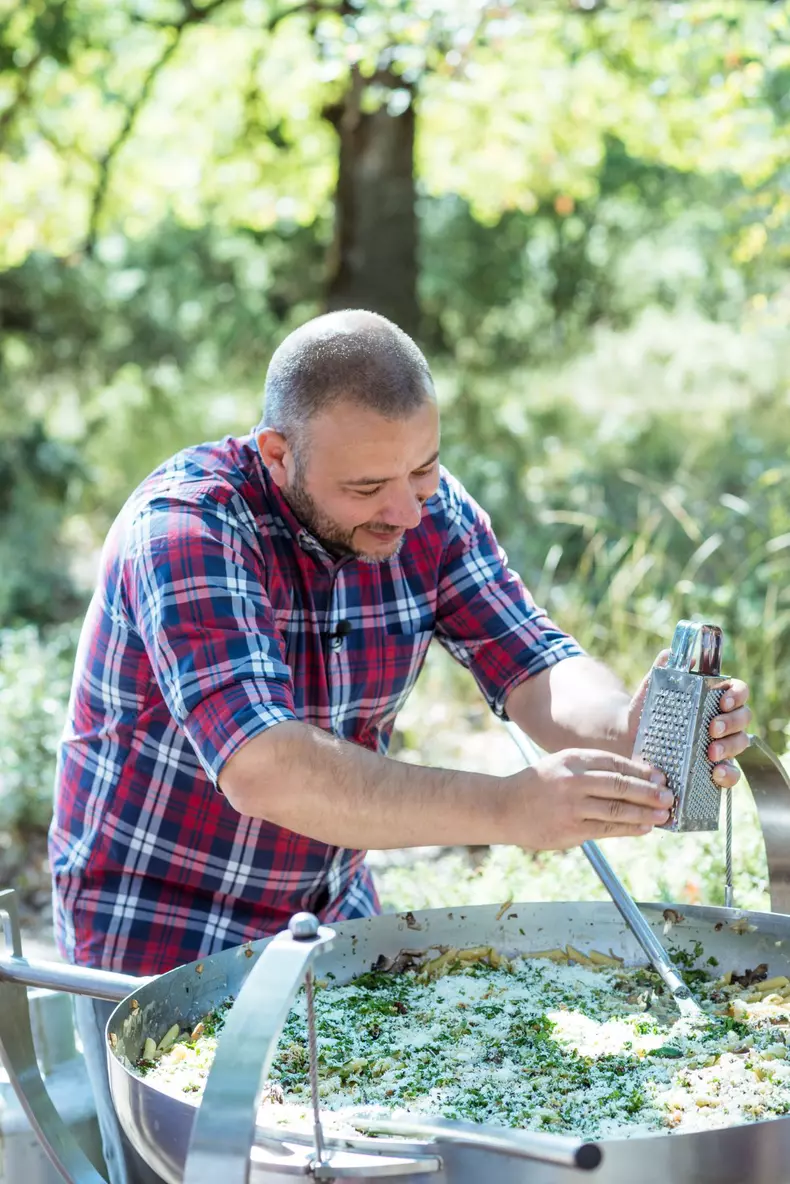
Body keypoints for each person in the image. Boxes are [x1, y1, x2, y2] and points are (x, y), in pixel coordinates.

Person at [49, 309, 750, 1183]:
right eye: (368, 486)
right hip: (162, 926)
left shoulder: (424, 508)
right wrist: (506, 808)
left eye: (423, 468)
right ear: (277, 454)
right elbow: (265, 767)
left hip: (330, 909)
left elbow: (534, 666)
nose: (405, 508)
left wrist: (636, 726)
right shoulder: (188, 527)